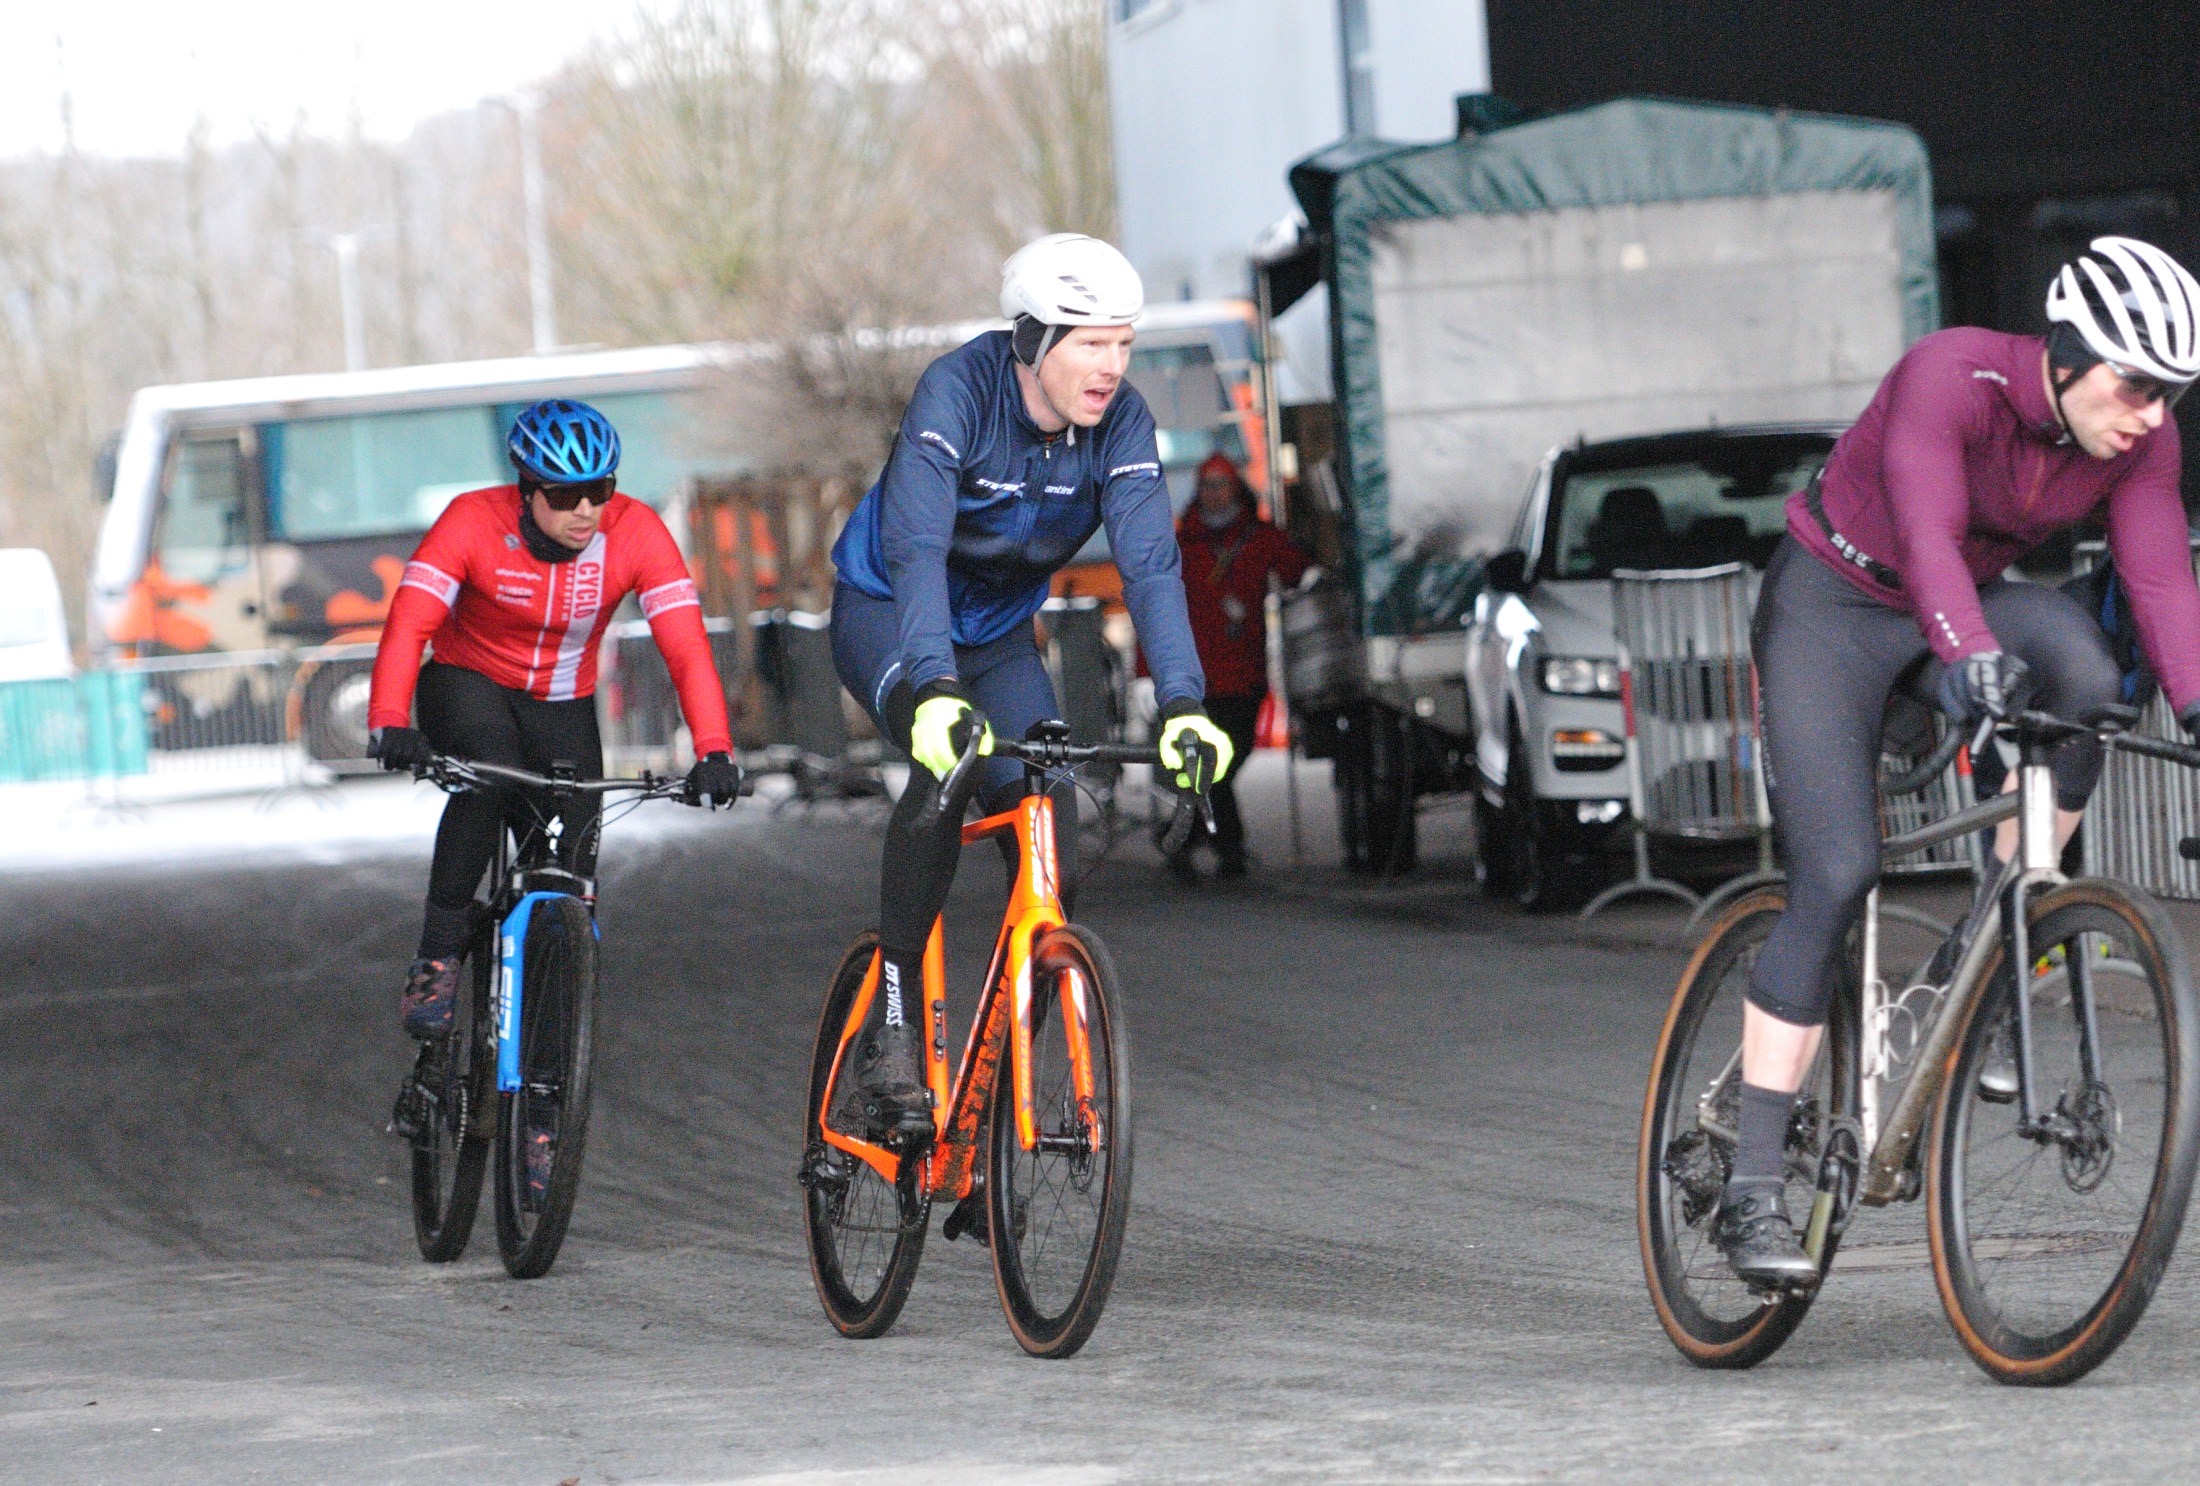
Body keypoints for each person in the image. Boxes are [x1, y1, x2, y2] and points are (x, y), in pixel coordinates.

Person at [1718, 235, 2200, 1288]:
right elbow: (1929, 534)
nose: (2152, 414)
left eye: (2173, 394)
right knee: (1838, 871)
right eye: (2137, 385)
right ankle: (1751, 1186)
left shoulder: (2137, 441)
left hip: (1964, 609)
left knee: (2090, 682)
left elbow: (2161, 581)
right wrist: (1969, 654)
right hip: (1834, 610)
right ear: (2067, 356)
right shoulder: (1952, 375)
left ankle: (1984, 946)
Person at [828, 232, 1234, 1139]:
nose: (1112, 366)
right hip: (891, 613)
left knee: (1051, 825)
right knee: (949, 764)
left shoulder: (1120, 423)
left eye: (1124, 343)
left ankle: (993, 1105)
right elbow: (917, 548)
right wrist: (933, 686)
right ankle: (890, 1030)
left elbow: (1151, 567)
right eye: (1091, 343)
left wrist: (1183, 703)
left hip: (999, 638)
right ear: (1031, 340)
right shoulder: (958, 393)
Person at [367, 399, 743, 1048]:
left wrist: (714, 749)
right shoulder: (471, 521)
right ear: (527, 490)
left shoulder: (636, 531)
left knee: (570, 863)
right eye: (567, 495)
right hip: (468, 682)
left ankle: (545, 1073)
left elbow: (684, 647)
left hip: (563, 705)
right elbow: (409, 624)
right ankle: (437, 957)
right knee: (488, 778)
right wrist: (389, 720)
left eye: (600, 490)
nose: (586, 510)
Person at [1164, 451, 1308, 880]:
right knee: (1212, 763)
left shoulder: (1257, 537)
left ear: (1236, 488)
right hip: (1197, 679)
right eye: (1207, 485)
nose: (1214, 493)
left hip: (1245, 676)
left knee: (1223, 760)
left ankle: (1184, 837)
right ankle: (1225, 846)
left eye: (1222, 484)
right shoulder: (1182, 544)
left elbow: (1297, 570)